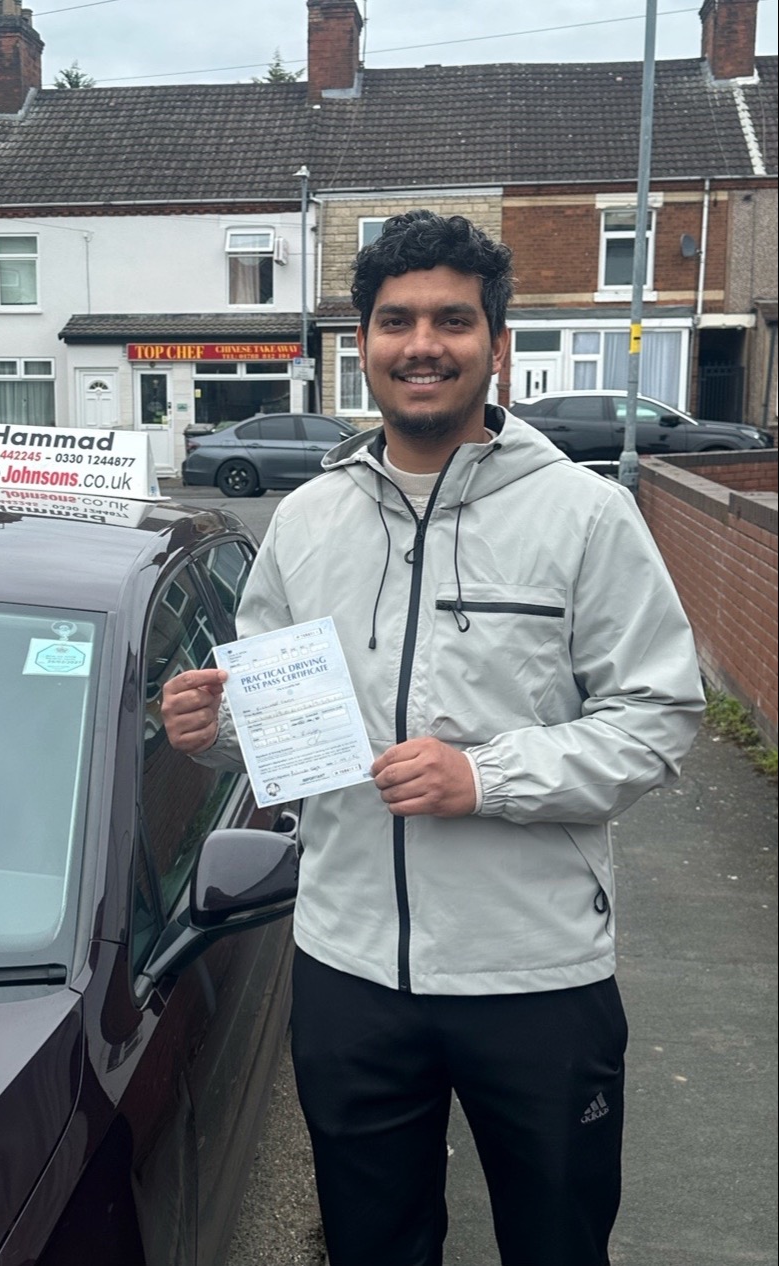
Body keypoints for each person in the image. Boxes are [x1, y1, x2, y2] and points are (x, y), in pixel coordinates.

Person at [161, 211, 704, 1266]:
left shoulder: (584, 516)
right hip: (348, 970)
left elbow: (656, 714)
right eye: (396, 320)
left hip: (535, 976)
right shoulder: (308, 521)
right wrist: (214, 725)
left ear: (495, 345)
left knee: (556, 1247)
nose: (423, 344)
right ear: (360, 342)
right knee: (372, 1246)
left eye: (452, 320)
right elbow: (281, 718)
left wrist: (485, 776)